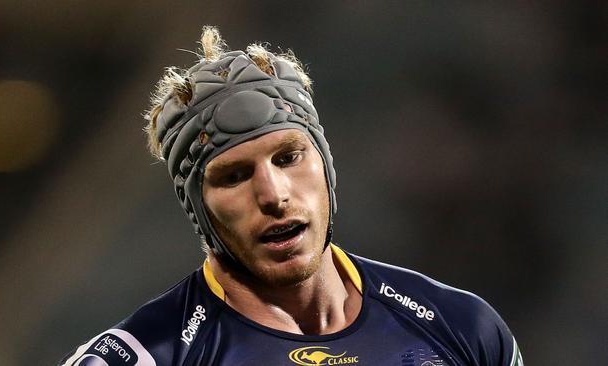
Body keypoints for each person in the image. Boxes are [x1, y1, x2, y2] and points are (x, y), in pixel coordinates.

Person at [59, 26, 523, 366]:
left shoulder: (462, 326)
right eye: (234, 176)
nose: (274, 195)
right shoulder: (144, 356)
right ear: (199, 207)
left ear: (325, 163)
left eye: (288, 158)